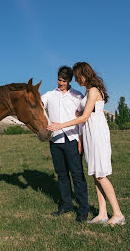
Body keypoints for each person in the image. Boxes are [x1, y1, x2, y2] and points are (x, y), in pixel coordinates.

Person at [47, 62, 125, 226]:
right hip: (89, 133)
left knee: (101, 175)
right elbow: (83, 113)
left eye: (77, 77)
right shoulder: (88, 91)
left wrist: (60, 125)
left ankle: (118, 213)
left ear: (84, 74)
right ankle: (102, 213)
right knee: (96, 175)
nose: (76, 80)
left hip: (96, 133)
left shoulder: (94, 91)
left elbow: (84, 117)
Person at [41, 66, 89, 222]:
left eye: (64, 80)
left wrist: (80, 139)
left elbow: (82, 120)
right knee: (61, 175)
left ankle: (83, 209)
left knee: (77, 175)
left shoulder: (77, 96)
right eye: (59, 79)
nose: (61, 82)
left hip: (72, 140)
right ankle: (66, 205)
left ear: (69, 80)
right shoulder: (49, 95)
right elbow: (36, 105)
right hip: (55, 141)